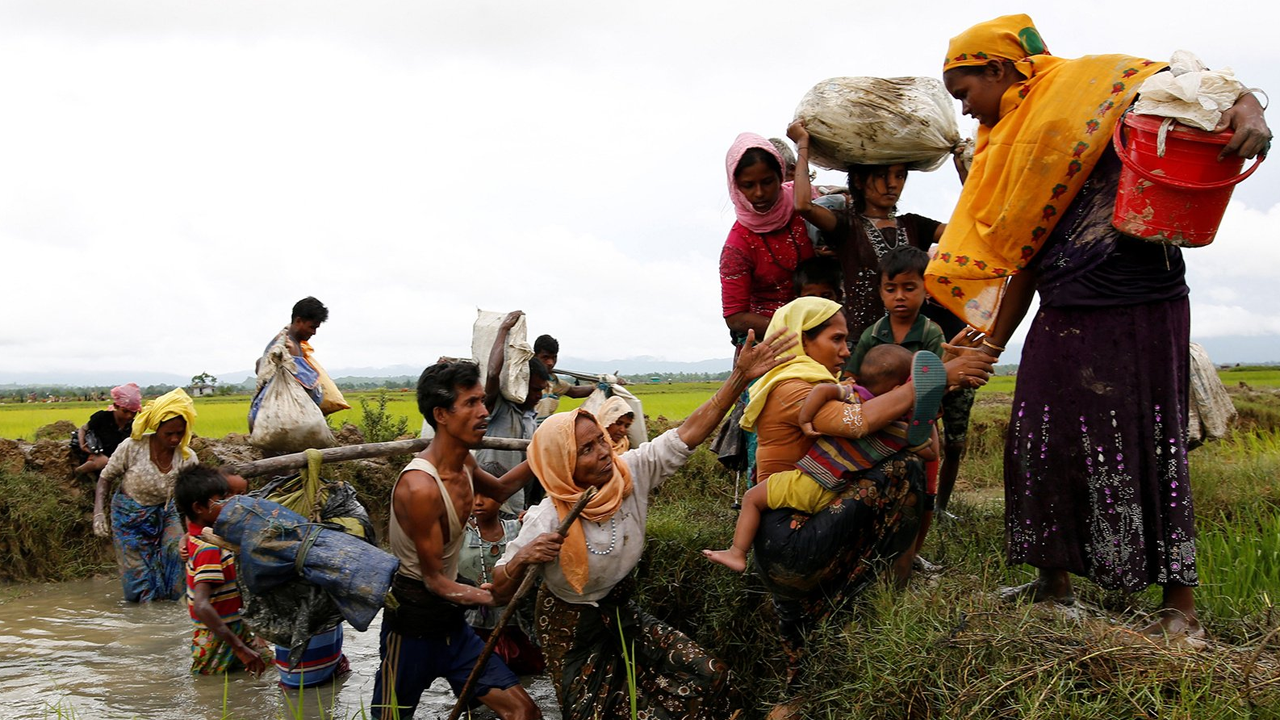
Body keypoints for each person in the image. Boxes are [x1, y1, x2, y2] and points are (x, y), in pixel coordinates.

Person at [926, 14, 1270, 641]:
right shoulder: (1009, 142)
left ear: (997, 68)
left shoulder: (1098, 86)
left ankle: (1179, 605)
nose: (970, 113)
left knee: (1153, 438)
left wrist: (1248, 113)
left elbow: (1201, 83)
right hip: (1065, 305)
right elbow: (1027, 255)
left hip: (1142, 299)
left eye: (965, 94)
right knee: (1039, 436)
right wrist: (991, 339)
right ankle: (1051, 580)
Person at [489, 327, 797, 720]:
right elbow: (499, 591)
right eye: (586, 449)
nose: (604, 452)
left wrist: (738, 378)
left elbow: (687, 434)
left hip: (620, 610)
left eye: (601, 439)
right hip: (571, 630)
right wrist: (522, 559)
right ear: (563, 464)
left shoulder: (630, 473)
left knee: (710, 678)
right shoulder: (548, 518)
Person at [733, 297, 992, 688]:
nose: (845, 350)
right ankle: (890, 594)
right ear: (803, 340)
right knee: (904, 470)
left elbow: (900, 423)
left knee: (892, 454)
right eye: (835, 340)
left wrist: (937, 376)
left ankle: (805, 684)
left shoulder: (814, 383)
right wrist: (935, 374)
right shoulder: (793, 387)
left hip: (790, 531)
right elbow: (859, 422)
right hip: (792, 539)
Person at [791, 121, 980, 521]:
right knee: (870, 433)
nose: (892, 185)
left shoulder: (915, 225)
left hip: (912, 346)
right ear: (858, 181)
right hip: (865, 350)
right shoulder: (846, 227)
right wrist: (803, 146)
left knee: (919, 432)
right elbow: (804, 206)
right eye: (882, 176)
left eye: (899, 176)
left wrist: (965, 167)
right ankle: (864, 511)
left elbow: (968, 230)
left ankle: (926, 510)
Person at [372, 360, 552, 720]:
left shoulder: (465, 463)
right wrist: (494, 594)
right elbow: (434, 579)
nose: (484, 412)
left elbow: (500, 489)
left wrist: (547, 450)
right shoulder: (420, 487)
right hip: (412, 630)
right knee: (390, 718)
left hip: (454, 626)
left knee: (524, 713)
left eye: (483, 402)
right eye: (471, 403)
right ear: (441, 414)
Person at [703, 344, 941, 573]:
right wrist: (924, 420)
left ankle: (737, 552)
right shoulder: (899, 430)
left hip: (810, 482)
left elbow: (821, 391)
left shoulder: (853, 398)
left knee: (752, 498)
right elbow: (930, 454)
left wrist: (806, 419)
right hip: (839, 493)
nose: (845, 350)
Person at [92, 388, 199, 602]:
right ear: (156, 429)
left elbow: (192, 498)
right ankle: (143, 618)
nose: (175, 438)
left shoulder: (187, 457)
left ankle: (169, 613)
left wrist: (192, 533)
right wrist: (98, 514)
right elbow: (106, 477)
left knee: (177, 555)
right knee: (137, 576)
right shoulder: (132, 448)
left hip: (165, 512)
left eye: (180, 433)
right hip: (128, 516)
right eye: (169, 433)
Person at [719, 132, 816, 349]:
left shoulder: (807, 206)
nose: (759, 193)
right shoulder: (738, 245)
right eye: (748, 185)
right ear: (735, 186)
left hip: (824, 324)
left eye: (767, 182)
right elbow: (735, 316)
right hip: (770, 339)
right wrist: (795, 329)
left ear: (781, 176)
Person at [175, 465, 268, 676]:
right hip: (217, 637)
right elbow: (201, 606)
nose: (230, 503)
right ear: (199, 508)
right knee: (211, 691)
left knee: (260, 670)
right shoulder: (208, 548)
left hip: (235, 626)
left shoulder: (211, 535)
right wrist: (240, 648)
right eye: (222, 499)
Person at [457, 491, 545, 676]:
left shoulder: (521, 529)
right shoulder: (458, 533)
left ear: (503, 497)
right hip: (474, 623)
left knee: (528, 675)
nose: (479, 502)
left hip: (518, 622)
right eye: (473, 496)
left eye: (487, 495)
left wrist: (533, 520)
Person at [476, 310, 552, 516]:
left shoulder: (530, 418)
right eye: (535, 390)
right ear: (522, 385)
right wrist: (503, 330)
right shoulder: (498, 408)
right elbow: (493, 374)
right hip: (487, 503)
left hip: (516, 505)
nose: (539, 396)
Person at [250, 296, 347, 430]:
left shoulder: (289, 341)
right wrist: (296, 360)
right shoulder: (287, 347)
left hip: (262, 418)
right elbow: (310, 390)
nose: (314, 332)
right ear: (298, 321)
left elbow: (260, 365)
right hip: (275, 421)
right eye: (312, 327)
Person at [72, 383, 141, 476]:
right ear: (116, 406)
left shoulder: (133, 425)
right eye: (125, 411)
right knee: (104, 461)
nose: (129, 415)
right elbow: (83, 429)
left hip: (114, 457)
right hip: (95, 452)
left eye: (133, 412)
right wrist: (82, 445)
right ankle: (77, 473)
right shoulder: (102, 418)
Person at [532, 334, 595, 424]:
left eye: (554, 357)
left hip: (544, 431)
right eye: (545, 357)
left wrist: (598, 387)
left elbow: (573, 391)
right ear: (535, 356)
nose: (550, 363)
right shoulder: (526, 378)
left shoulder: (553, 380)